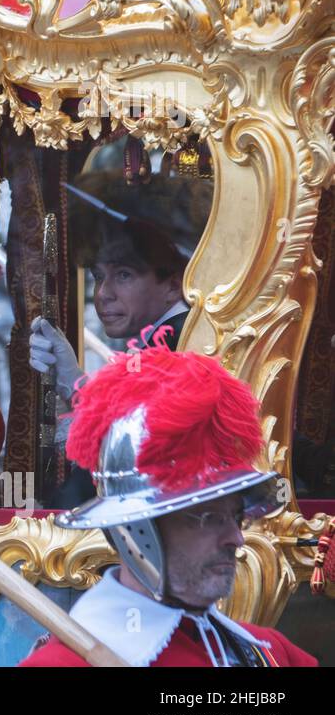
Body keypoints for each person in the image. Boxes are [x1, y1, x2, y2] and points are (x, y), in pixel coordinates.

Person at [19, 341, 316, 666]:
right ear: (137, 528)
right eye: (209, 517)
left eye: (236, 516)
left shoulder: (271, 652)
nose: (237, 538)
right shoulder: (63, 664)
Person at [29, 219, 190, 505]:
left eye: (124, 275)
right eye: (98, 277)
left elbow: (122, 453)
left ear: (172, 286)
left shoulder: (175, 343)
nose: (103, 293)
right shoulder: (161, 340)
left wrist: (74, 387)